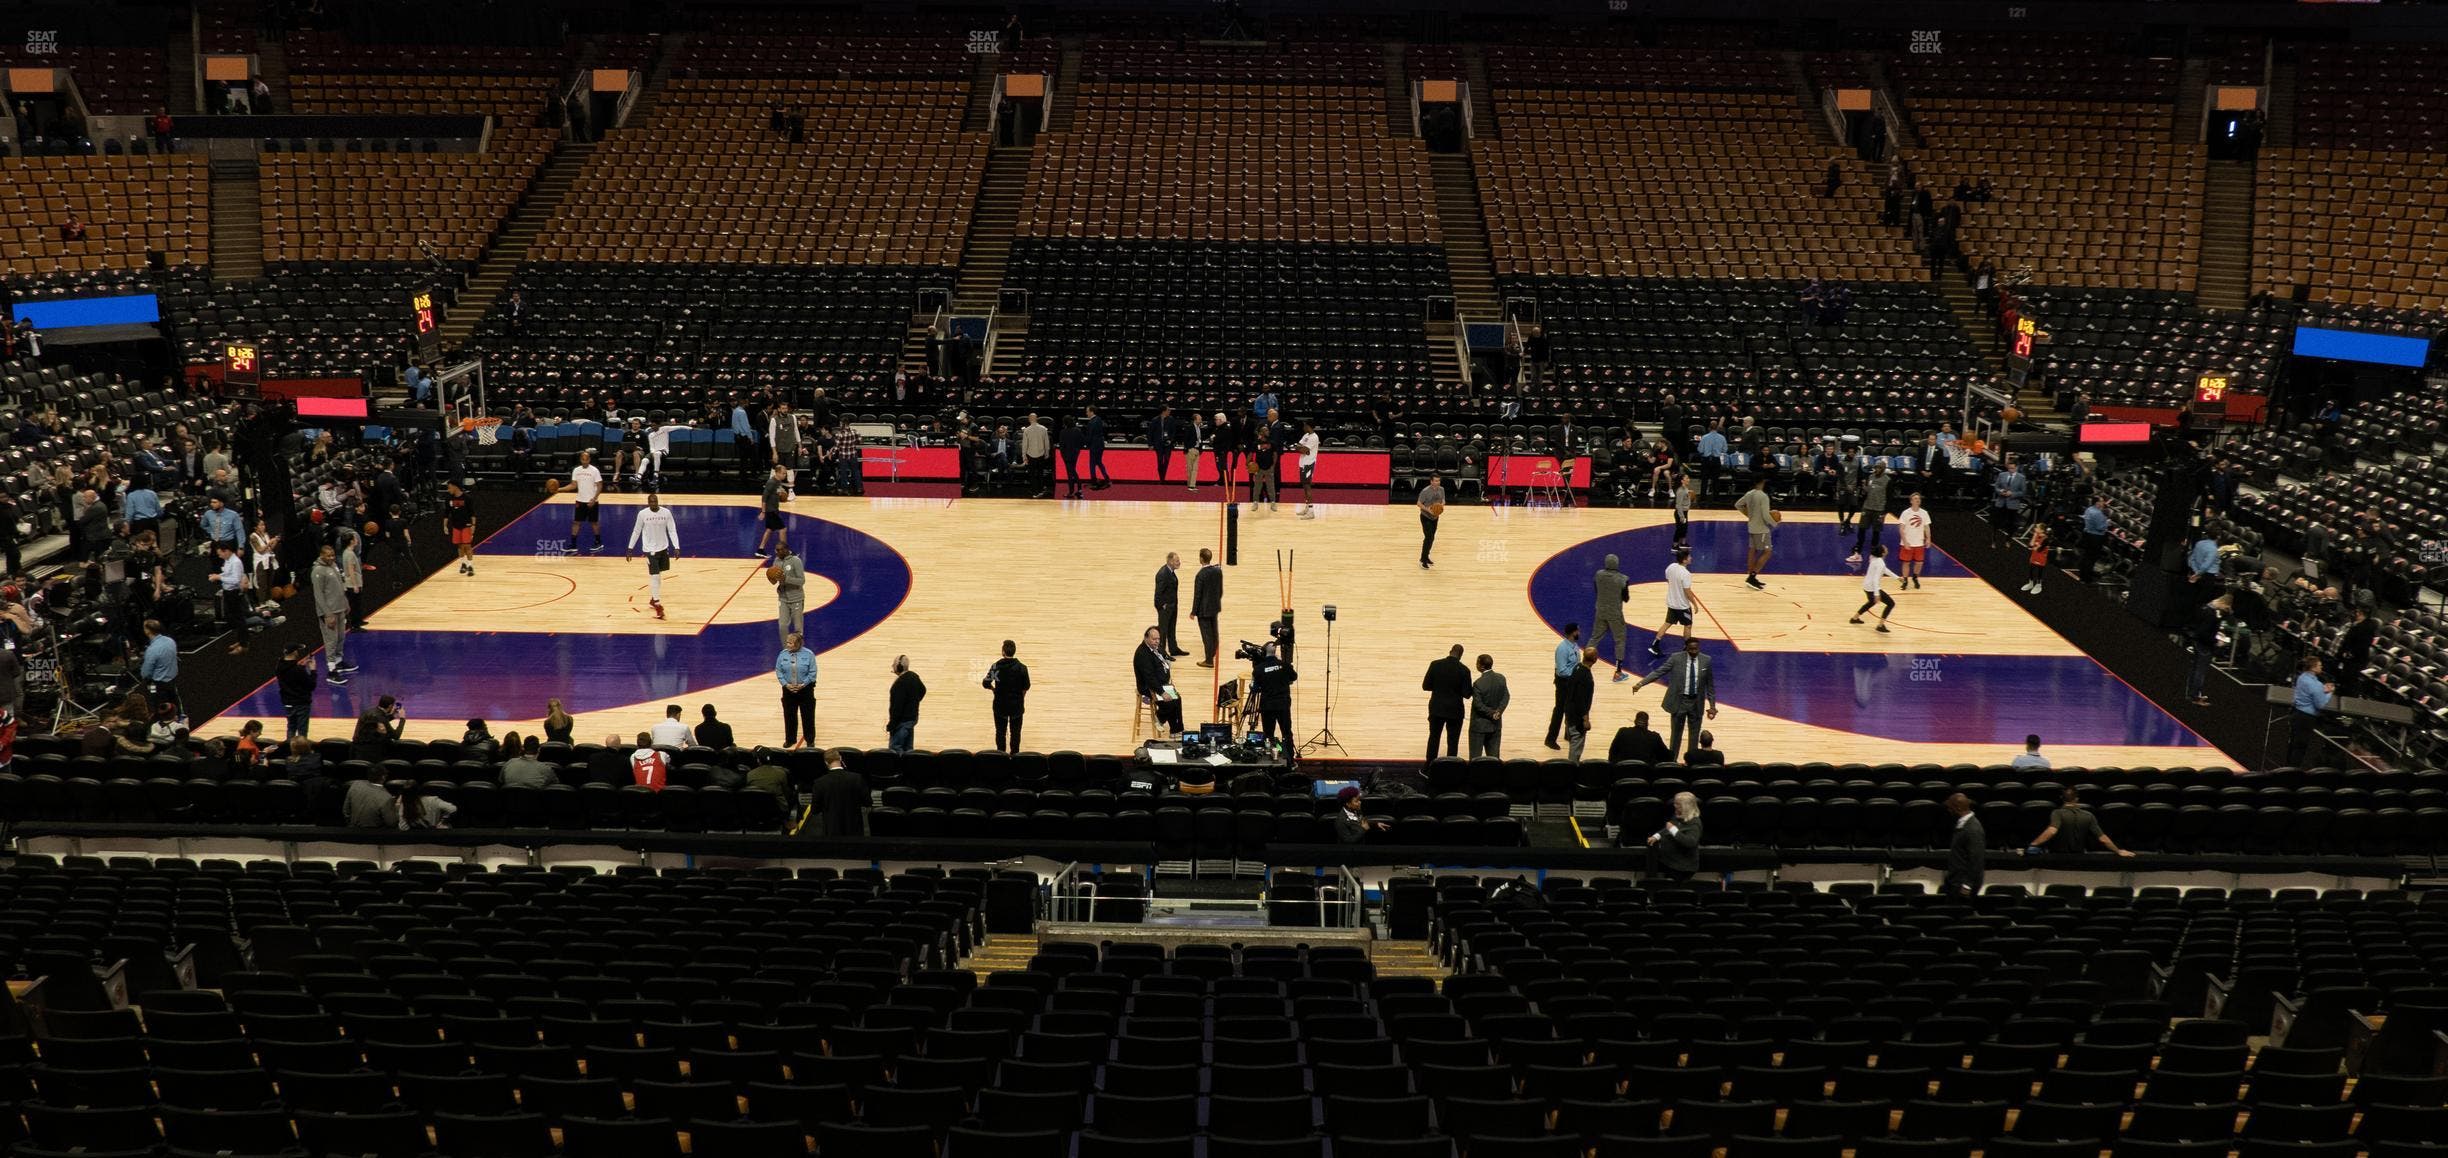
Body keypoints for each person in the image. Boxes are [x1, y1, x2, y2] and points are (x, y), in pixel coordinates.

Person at [1631, 636, 1718, 760]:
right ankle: (1672, 762)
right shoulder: (1676, 658)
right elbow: (1659, 672)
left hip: (1696, 703)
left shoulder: (1706, 660)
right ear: (1686, 648)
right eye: (1691, 649)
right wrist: (1641, 683)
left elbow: (1710, 685)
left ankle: (1692, 762)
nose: (1694, 651)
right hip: (1679, 702)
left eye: (1696, 649)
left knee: (1694, 737)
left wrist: (1712, 706)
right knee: (1676, 736)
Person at [2029, 786, 2135, 857]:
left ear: (2061, 798)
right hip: (2079, 855)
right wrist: (2118, 851)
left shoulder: (2057, 813)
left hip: (2057, 855)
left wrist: (2034, 844)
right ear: (2077, 799)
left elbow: (2052, 831)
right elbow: (2102, 839)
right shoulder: (2088, 815)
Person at [625, 491, 681, 620]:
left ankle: (653, 599)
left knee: (658, 575)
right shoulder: (642, 514)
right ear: (648, 503)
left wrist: (676, 546)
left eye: (655, 501)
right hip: (650, 550)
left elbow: (672, 530)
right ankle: (657, 604)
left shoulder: (666, 513)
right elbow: (636, 531)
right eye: (651, 501)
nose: (653, 503)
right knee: (654, 575)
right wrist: (630, 548)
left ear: (658, 502)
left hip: (663, 548)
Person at [1422, 644, 1474, 761]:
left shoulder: (1435, 664)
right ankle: (1451, 766)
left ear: (1450, 651)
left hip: (1437, 709)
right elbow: (1467, 694)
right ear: (1461, 655)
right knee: (1453, 741)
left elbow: (1425, 686)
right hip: (1455, 711)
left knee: (1434, 738)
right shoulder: (1464, 670)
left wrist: (1439, 687)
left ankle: (1429, 765)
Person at [1133, 628, 1184, 737]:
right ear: (1146, 638)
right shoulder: (1142, 654)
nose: (1157, 641)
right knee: (1170, 702)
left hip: (1162, 683)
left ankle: (1176, 730)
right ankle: (1159, 718)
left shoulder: (1156, 647)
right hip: (1148, 686)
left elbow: (1164, 656)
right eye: (1154, 639)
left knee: (1177, 698)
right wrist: (1162, 692)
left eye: (1158, 639)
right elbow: (1149, 678)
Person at [312, 545, 352, 683]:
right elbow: (318, 595)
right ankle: (331, 670)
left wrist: (345, 603)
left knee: (341, 637)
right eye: (328, 556)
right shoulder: (317, 571)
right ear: (322, 555)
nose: (331, 558)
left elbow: (340, 586)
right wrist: (327, 614)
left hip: (340, 608)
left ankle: (339, 662)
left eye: (333, 555)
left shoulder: (334, 565)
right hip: (329, 612)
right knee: (331, 640)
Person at [983, 639, 1030, 753]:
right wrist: (1021, 697)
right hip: (1016, 706)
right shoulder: (1022, 668)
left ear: (1003, 652)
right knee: (1016, 733)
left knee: (1000, 733)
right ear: (1014, 651)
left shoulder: (996, 667)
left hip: (1000, 705)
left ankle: (1001, 756)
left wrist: (994, 690)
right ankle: (1015, 756)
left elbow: (986, 683)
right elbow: (1026, 687)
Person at [1648, 546, 1696, 657]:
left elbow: (1668, 580)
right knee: (1688, 625)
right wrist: (1695, 603)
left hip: (1672, 603)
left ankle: (1655, 645)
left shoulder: (1671, 567)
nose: (1691, 558)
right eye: (1689, 557)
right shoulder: (1686, 574)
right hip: (1682, 606)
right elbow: (1687, 591)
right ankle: (1687, 648)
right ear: (1684, 560)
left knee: (1667, 623)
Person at [805, 751, 868, 837]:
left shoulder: (819, 783)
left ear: (826, 762)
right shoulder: (857, 778)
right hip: (854, 828)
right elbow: (867, 802)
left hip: (832, 829)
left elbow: (815, 810)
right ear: (840, 758)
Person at [1590, 553, 1633, 677]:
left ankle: (1584, 663)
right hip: (1615, 614)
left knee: (1595, 637)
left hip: (1600, 611)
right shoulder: (1622, 579)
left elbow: (1597, 590)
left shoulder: (1598, 575)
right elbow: (1626, 599)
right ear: (1617, 564)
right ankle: (1618, 672)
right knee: (1620, 640)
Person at [2286, 654, 2333, 766]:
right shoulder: (2316, 684)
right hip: (2306, 718)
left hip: (2296, 713)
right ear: (2313, 668)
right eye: (2319, 666)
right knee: (2300, 747)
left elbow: (2311, 692)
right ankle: (2293, 771)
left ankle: (2287, 768)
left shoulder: (2302, 677)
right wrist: (2329, 693)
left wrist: (2322, 690)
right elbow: (2320, 704)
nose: (2321, 667)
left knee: (2293, 743)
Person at [1644, 791, 1703, 880]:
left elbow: (1690, 842)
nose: (1674, 805)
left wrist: (1673, 830)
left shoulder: (1694, 824)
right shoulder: (1678, 815)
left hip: (1683, 867)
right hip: (1671, 861)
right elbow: (1668, 828)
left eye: (1677, 804)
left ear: (1685, 806)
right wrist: (1657, 836)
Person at [2184, 593, 2230, 706]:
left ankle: (2190, 694)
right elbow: (2204, 633)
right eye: (2226, 608)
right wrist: (2216, 642)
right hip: (2204, 646)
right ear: (2224, 603)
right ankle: (2195, 697)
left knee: (2194, 669)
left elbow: (2201, 627)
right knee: (2200, 672)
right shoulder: (2212, 615)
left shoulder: (2205, 607)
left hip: (2196, 642)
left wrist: (2216, 632)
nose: (2225, 610)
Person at [1252, 641, 1297, 755]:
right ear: (1275, 652)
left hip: (1267, 706)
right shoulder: (1285, 665)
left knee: (1268, 734)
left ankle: (1269, 756)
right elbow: (1294, 677)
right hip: (1283, 705)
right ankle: (1290, 757)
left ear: (1264, 652)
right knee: (1286, 732)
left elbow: (1254, 688)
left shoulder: (1259, 669)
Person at [777, 631, 819, 749]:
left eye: (790, 643)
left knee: (808, 716)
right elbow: (779, 671)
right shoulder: (782, 654)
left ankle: (810, 740)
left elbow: (813, 672)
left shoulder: (809, 654)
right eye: (787, 642)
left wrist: (803, 684)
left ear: (798, 644)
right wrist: (785, 684)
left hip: (805, 690)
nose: (787, 645)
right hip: (788, 690)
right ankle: (790, 739)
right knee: (789, 715)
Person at [1736, 476, 1777, 589]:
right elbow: (1765, 515)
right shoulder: (1763, 496)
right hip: (1761, 528)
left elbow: (1738, 505)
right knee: (1768, 552)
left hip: (1751, 527)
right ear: (1762, 482)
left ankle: (1751, 577)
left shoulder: (1749, 493)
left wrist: (1749, 515)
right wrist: (1775, 523)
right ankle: (1752, 577)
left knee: (1752, 551)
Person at [1943, 792, 1985, 896]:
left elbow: (1976, 859)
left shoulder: (1972, 829)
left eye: (1950, 808)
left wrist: (1967, 885)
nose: (1949, 811)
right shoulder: (1963, 824)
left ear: (1958, 808)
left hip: (1963, 886)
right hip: (1956, 881)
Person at [1467, 654, 1508, 759]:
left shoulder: (1478, 683)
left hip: (1479, 727)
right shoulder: (1501, 678)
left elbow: (1478, 705)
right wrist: (1498, 711)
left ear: (1482, 667)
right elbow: (1506, 697)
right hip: (1495, 725)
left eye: (1477, 663)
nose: (1476, 664)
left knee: (1475, 759)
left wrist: (1492, 713)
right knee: (1494, 759)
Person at [1851, 544, 1897, 633]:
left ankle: (1854, 618)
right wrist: (1877, 594)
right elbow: (1876, 579)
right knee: (1891, 603)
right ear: (1883, 553)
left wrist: (1897, 578)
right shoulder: (1880, 563)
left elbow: (1885, 570)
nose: (1887, 548)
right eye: (1885, 548)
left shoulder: (1875, 559)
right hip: (1872, 587)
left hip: (1866, 586)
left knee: (1871, 602)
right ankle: (1880, 625)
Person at [1852, 461, 1893, 560]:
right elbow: (1866, 491)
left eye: (1879, 468)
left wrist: (1885, 512)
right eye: (1876, 467)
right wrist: (1863, 489)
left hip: (1879, 509)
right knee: (1861, 529)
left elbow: (1890, 498)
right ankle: (1858, 552)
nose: (1877, 469)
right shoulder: (1870, 477)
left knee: (1876, 532)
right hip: (1867, 507)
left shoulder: (1888, 480)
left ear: (1883, 469)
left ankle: (1874, 553)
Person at [1562, 645, 1597, 760]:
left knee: (1573, 741)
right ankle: (1572, 768)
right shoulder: (1586, 677)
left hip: (1569, 712)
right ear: (1595, 659)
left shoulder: (1577, 667)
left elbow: (1570, 691)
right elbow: (1581, 700)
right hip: (1577, 718)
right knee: (1576, 747)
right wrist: (1585, 719)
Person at [566, 450, 605, 552]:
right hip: (580, 500)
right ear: (580, 460)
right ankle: (573, 545)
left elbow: (600, 485)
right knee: (576, 522)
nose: (585, 461)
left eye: (586, 459)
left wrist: (594, 499)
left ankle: (598, 543)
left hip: (591, 501)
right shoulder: (576, 470)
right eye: (583, 459)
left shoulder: (594, 470)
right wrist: (559, 489)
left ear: (589, 460)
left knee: (594, 522)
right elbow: (573, 485)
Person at [2334, 605, 2377, 697]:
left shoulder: (2367, 627)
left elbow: (2363, 645)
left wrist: (2350, 653)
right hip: (2349, 656)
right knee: (2344, 677)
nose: (2356, 614)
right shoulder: (2357, 624)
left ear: (2361, 614)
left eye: (2357, 612)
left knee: (2350, 680)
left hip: (2356, 659)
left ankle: (2347, 696)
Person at [768, 542, 806, 646]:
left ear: (786, 550)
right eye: (776, 550)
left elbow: (801, 581)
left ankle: (799, 649)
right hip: (783, 598)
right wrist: (772, 579)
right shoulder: (776, 561)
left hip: (796, 598)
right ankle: (786, 649)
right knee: (782, 625)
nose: (778, 552)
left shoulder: (796, 561)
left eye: (780, 550)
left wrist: (786, 579)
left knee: (798, 628)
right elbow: (775, 580)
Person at [140, 617, 180, 713]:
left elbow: (146, 673)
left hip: (158, 684)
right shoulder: (170, 641)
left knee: (158, 704)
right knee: (175, 701)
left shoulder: (152, 650)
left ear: (148, 631)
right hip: (172, 679)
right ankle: (178, 716)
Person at [887, 655, 926, 752]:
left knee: (895, 749)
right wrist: (913, 703)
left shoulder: (900, 683)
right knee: (908, 749)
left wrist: (891, 725)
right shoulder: (914, 676)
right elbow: (923, 690)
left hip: (901, 722)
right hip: (912, 719)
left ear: (899, 666)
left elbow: (897, 708)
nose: (892, 666)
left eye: (894, 664)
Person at [1192, 548, 1223, 667]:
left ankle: (1209, 660)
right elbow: (1220, 590)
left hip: (1203, 610)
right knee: (1214, 632)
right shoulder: (1217, 571)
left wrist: (1193, 611)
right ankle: (1213, 652)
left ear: (1201, 558)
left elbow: (1197, 595)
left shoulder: (1200, 575)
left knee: (1207, 636)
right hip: (1214, 607)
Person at [1895, 493, 1933, 589]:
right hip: (1907, 542)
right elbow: (1901, 529)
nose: (1917, 500)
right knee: (1906, 562)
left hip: (1919, 542)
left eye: (1919, 498)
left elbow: (1927, 527)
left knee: (1919, 562)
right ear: (1911, 501)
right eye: (1915, 498)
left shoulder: (1924, 513)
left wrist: (1928, 539)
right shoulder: (1905, 513)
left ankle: (1915, 577)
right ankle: (1905, 580)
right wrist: (1905, 541)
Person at [353, 696, 405, 762]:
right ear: (390, 706)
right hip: (373, 755)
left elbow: (376, 721)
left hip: (358, 750)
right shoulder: (381, 718)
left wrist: (392, 716)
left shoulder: (367, 712)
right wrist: (402, 719)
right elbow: (396, 736)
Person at [1608, 711, 1674, 764]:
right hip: (1646, 774)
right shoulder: (1654, 737)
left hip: (1622, 772)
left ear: (1635, 721)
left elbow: (1612, 753)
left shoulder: (1622, 732)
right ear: (1647, 723)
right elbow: (1667, 757)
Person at [1154, 552, 1185, 657]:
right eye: (1177, 561)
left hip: (1172, 606)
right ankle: (1161, 653)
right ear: (1170, 562)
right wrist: (1161, 606)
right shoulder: (1163, 574)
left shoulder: (1170, 572)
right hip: (1165, 608)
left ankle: (1173, 649)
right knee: (1163, 631)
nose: (1179, 562)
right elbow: (1158, 593)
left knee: (1171, 628)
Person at [757, 464, 791, 556]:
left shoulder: (778, 482)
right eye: (783, 473)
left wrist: (782, 496)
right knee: (783, 529)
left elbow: (778, 496)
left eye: (785, 473)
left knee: (769, 529)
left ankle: (760, 550)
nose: (785, 475)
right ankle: (785, 551)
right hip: (770, 511)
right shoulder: (771, 482)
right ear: (777, 473)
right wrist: (763, 512)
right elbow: (764, 497)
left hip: (774, 510)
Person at [443, 482, 477, 576]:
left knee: (467, 546)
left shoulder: (467, 498)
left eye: (449, 488)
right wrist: (445, 526)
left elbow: (472, 513)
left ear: (455, 487)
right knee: (460, 546)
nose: (448, 490)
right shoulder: (449, 499)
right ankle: (463, 564)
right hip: (456, 526)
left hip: (466, 525)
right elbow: (446, 513)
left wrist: (473, 525)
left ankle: (470, 566)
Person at [1992, 458, 2028, 538]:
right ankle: (1995, 537)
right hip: (2000, 503)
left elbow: (2023, 492)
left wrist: (2012, 494)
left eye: (2012, 468)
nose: (2010, 470)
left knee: (2011, 523)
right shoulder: (2002, 475)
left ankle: (2008, 539)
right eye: (2009, 468)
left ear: (2017, 467)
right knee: (1997, 521)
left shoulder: (2021, 477)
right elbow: (1996, 487)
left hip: (2013, 504)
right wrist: (2000, 491)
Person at [1417, 476, 1447, 569]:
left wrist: (1441, 506)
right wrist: (1428, 510)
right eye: (1436, 481)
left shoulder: (1441, 489)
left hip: (1435, 517)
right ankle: (1423, 560)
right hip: (1425, 517)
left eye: (1439, 481)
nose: (1437, 482)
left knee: (1432, 537)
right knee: (1428, 537)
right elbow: (1418, 503)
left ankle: (1426, 557)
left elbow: (1443, 500)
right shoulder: (1425, 491)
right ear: (1431, 481)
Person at [1296, 421, 1321, 519]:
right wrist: (1301, 448)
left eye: (1304, 426)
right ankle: (1307, 507)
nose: (1303, 427)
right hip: (1303, 463)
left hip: (1308, 464)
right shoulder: (1306, 435)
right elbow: (1298, 446)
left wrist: (1301, 448)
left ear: (1308, 426)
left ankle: (1311, 512)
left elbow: (1303, 449)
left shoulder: (1314, 437)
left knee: (1307, 486)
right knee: (1304, 486)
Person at [1084, 405, 1110, 490]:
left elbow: (1090, 435)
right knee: (1099, 462)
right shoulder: (1098, 419)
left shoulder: (1092, 422)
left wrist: (1086, 444)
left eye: (1087, 411)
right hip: (1100, 445)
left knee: (1092, 464)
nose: (1086, 413)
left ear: (1092, 412)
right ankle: (1106, 479)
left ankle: (1094, 481)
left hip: (1094, 446)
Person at [2020, 523, 2051, 595]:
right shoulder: (2036, 535)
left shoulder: (2046, 539)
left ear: (2042, 530)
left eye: (2037, 528)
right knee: (2031, 570)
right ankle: (2030, 583)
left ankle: (2038, 585)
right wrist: (2034, 536)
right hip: (2034, 556)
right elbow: (2030, 545)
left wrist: (2033, 547)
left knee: (2039, 572)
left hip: (2041, 558)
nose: (2035, 528)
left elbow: (2039, 550)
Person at [1145, 406, 1173, 484]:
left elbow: (1173, 431)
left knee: (1167, 459)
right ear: (1163, 411)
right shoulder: (1155, 420)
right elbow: (1150, 433)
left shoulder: (1171, 419)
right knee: (1160, 460)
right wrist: (1150, 444)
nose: (1170, 411)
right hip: (1158, 444)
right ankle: (1161, 478)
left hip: (1167, 444)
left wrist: (1170, 440)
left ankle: (1164, 476)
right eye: (1168, 410)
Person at [1183, 413, 1208, 492]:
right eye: (1199, 419)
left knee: (1195, 469)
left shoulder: (1199, 428)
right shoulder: (1189, 427)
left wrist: (1200, 449)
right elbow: (1186, 438)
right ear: (1195, 419)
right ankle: (1190, 485)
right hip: (1191, 449)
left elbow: (1200, 438)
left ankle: (1192, 485)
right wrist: (1187, 448)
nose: (1201, 420)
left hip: (1197, 449)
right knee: (1190, 468)